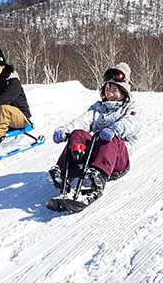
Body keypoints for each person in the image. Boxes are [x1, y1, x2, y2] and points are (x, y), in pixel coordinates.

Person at [49, 62, 139, 201]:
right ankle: (63, 172)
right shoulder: (98, 107)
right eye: (107, 90)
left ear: (123, 91)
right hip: (97, 155)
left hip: (118, 158)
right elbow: (83, 121)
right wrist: (65, 130)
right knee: (78, 133)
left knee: (109, 138)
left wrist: (115, 129)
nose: (110, 94)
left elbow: (131, 122)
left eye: (115, 90)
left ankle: (98, 176)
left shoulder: (131, 107)